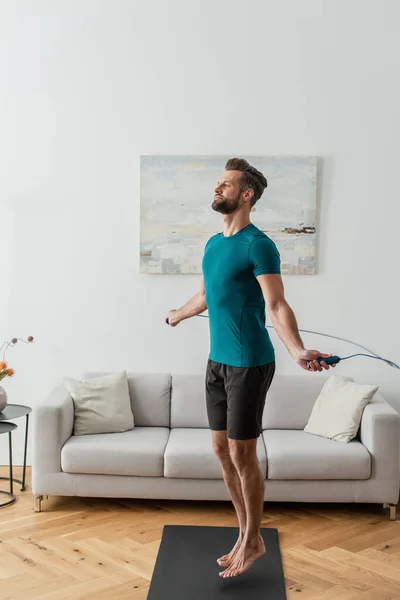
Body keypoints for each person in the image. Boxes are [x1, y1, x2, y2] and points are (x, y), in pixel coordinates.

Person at [166, 157, 335, 579]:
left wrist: (296, 350)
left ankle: (253, 538)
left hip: (249, 363)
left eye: (224, 185)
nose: (216, 190)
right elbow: (205, 296)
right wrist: (178, 314)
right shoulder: (212, 244)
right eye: (216, 184)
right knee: (221, 450)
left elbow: (276, 304)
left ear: (247, 195)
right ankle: (245, 533)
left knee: (243, 452)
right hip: (217, 363)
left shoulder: (259, 245)